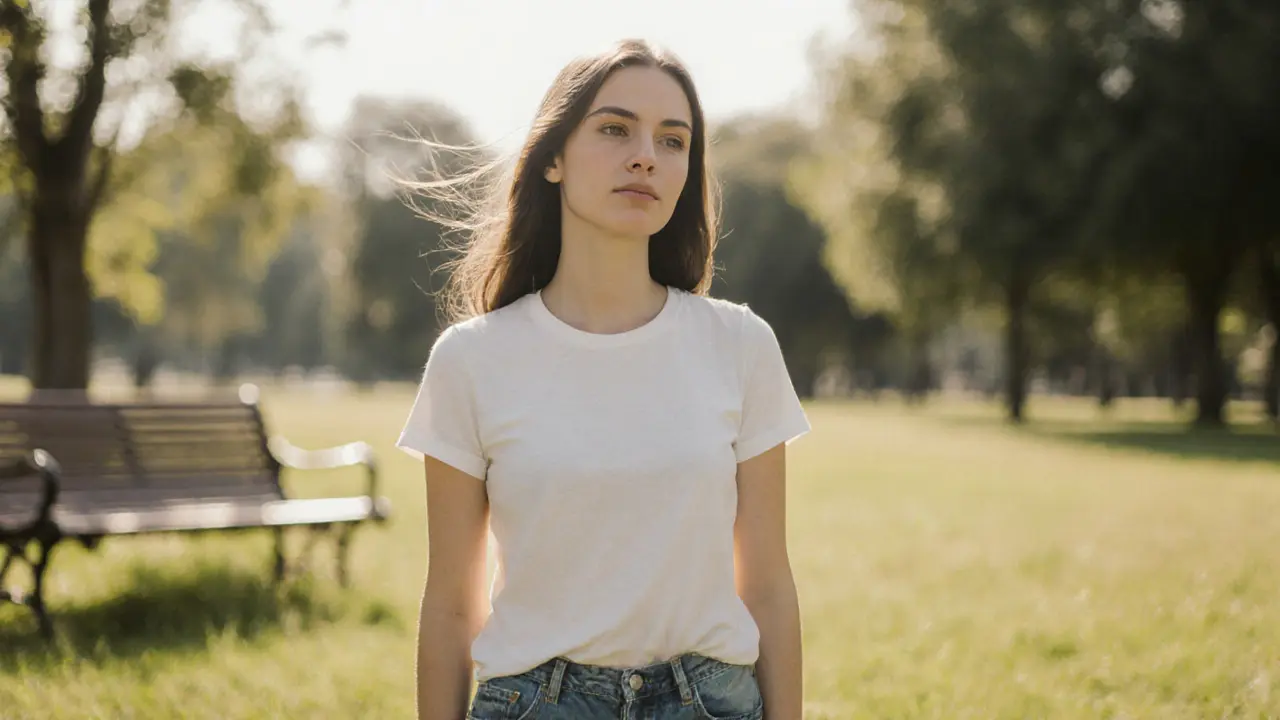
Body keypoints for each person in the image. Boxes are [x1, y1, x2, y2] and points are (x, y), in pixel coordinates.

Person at [396, 38, 811, 720]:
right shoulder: (470, 360)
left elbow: (767, 585)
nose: (646, 155)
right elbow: (450, 606)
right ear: (552, 158)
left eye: (672, 140)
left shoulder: (740, 345)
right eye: (615, 129)